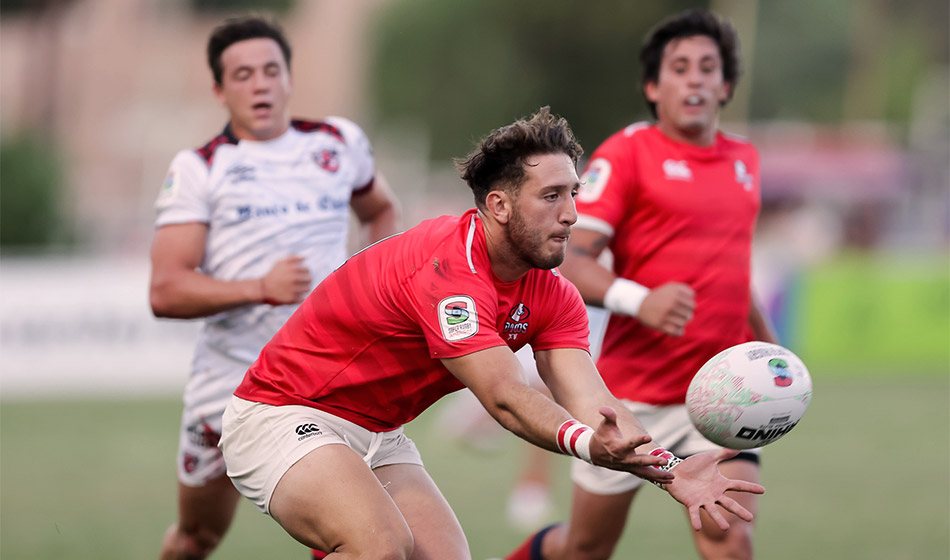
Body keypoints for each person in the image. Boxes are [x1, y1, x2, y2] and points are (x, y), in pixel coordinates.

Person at [218, 107, 764, 559]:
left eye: (574, 194)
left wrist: (669, 469)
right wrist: (590, 447)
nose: (573, 214)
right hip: (286, 413)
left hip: (377, 432)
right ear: (498, 206)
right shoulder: (448, 269)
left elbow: (592, 401)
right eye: (552, 196)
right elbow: (505, 397)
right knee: (380, 547)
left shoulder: (553, 292)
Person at [506, 9, 778, 560]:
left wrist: (767, 343)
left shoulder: (745, 159)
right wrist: (640, 299)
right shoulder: (629, 154)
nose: (696, 78)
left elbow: (734, 269)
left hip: (722, 394)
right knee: (586, 548)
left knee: (731, 538)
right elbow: (573, 259)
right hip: (635, 397)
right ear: (655, 86)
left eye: (709, 67)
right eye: (680, 67)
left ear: (725, 85)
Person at [149, 15, 400, 560]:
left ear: (289, 78)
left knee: (362, 533)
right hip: (229, 383)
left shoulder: (338, 141)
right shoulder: (200, 169)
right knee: (198, 536)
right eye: (242, 75)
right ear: (219, 89)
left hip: (327, 373)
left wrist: (364, 282)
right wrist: (259, 287)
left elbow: (380, 209)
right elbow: (165, 291)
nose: (259, 84)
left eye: (270, 70)